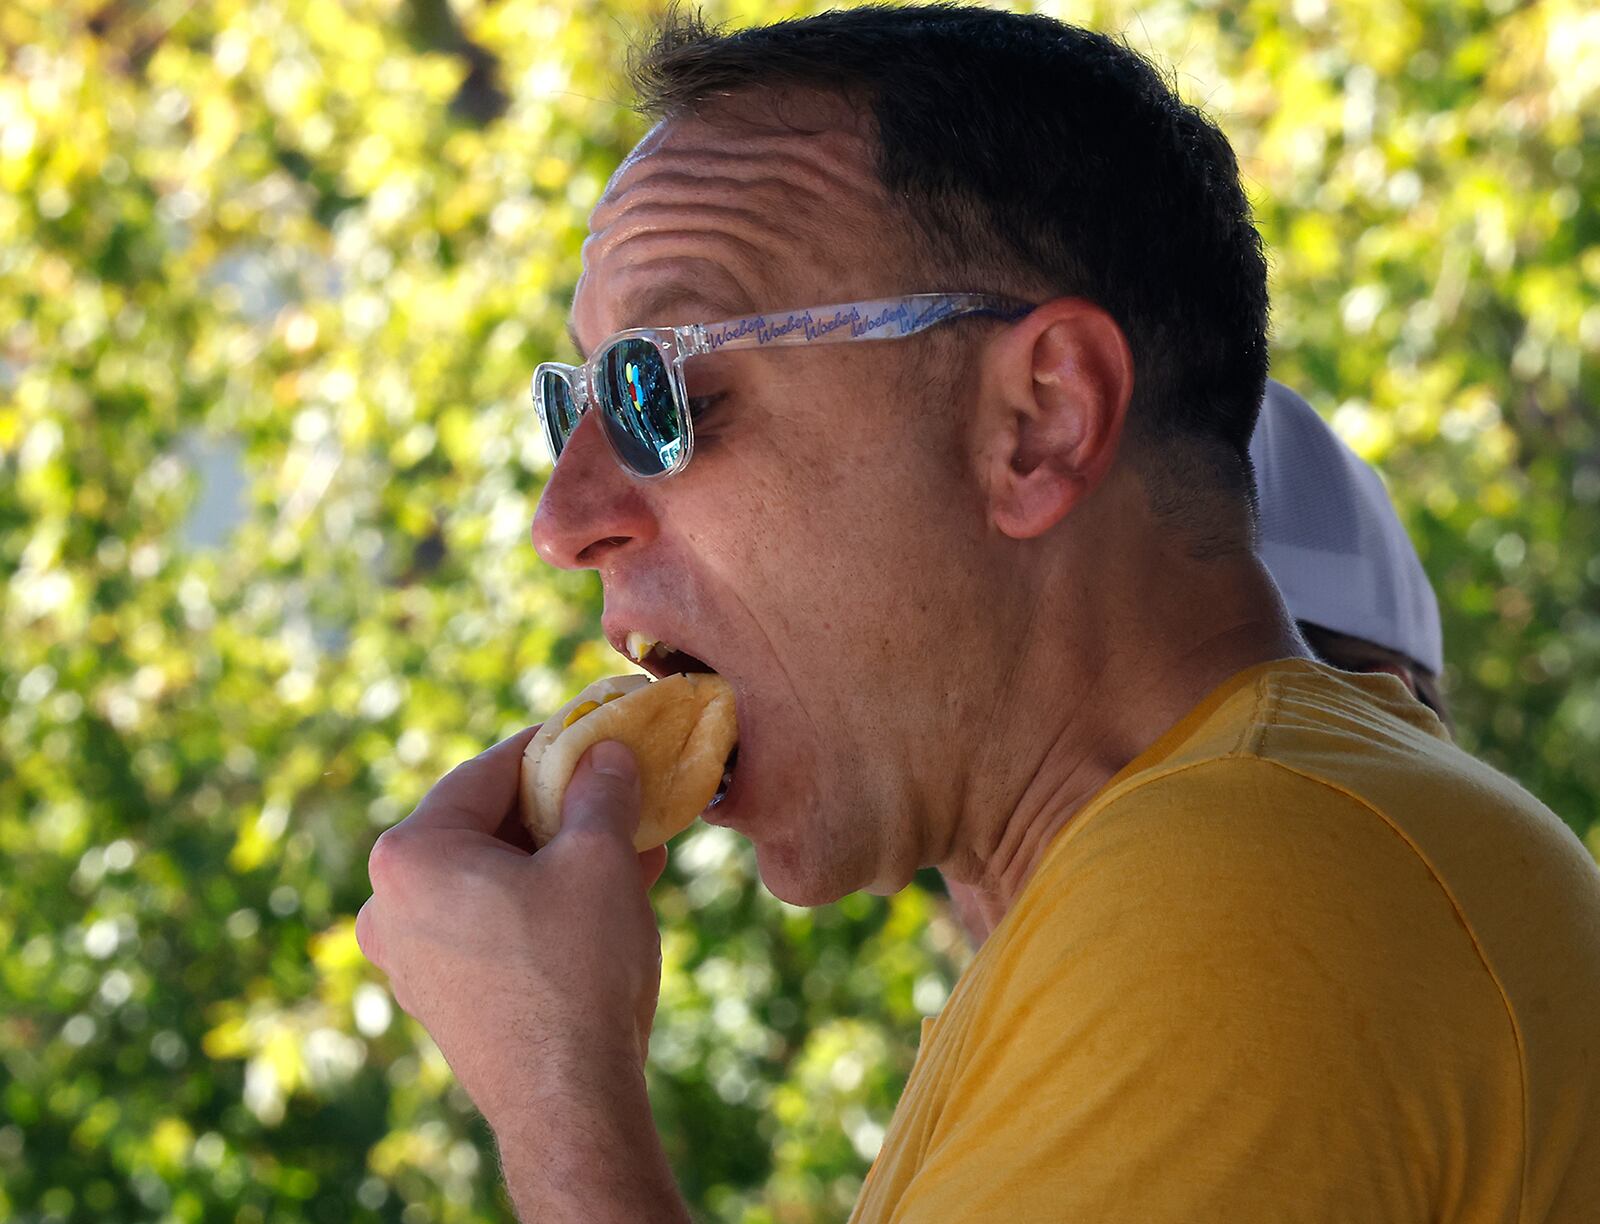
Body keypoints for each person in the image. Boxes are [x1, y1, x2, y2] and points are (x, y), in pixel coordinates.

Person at [355, 7, 1600, 1222]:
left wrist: (557, 1097)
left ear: (1037, 423)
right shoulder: (1158, 890)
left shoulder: (1250, 898)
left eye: (654, 390)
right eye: (566, 404)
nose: (564, 518)